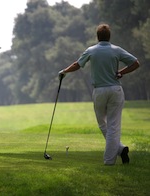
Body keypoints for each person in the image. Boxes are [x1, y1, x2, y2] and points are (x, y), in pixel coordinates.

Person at [58, 24, 140, 165]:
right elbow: (135, 63)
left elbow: (77, 64)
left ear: (97, 36)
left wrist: (64, 71)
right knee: (113, 126)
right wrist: (121, 73)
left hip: (99, 91)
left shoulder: (91, 50)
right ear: (109, 36)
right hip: (115, 90)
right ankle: (120, 149)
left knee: (103, 124)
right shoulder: (116, 50)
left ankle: (109, 161)